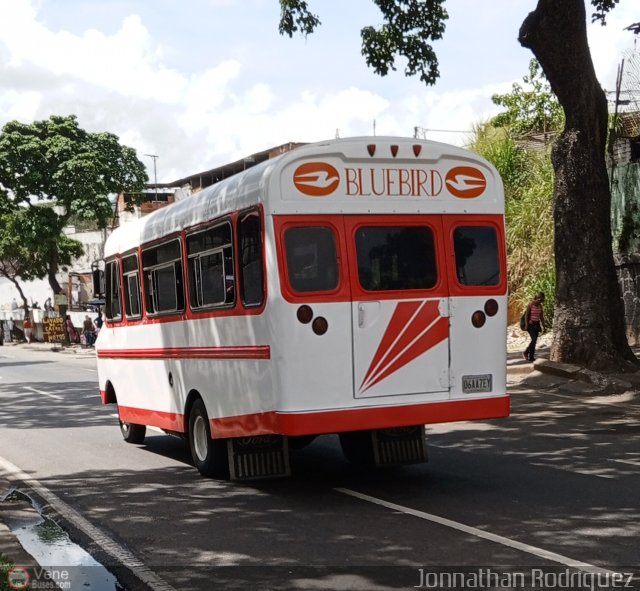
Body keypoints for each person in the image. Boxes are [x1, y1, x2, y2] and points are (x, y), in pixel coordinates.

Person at [523, 292, 546, 362]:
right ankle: (530, 356)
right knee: (534, 339)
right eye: (540, 299)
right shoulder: (530, 305)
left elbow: (541, 317)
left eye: (542, 300)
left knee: (534, 341)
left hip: (537, 324)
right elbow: (526, 315)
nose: (540, 301)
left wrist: (544, 326)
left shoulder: (540, 306)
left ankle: (527, 352)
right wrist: (526, 325)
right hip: (531, 324)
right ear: (536, 298)